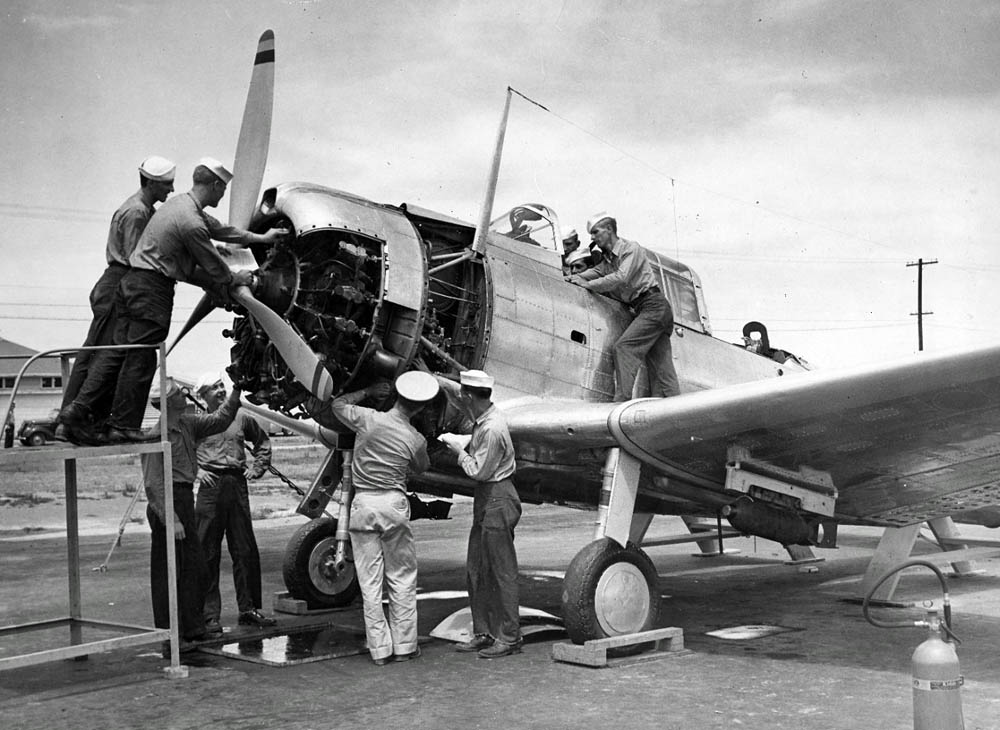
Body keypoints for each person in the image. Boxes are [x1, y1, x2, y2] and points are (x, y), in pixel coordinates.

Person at [59, 158, 289, 445]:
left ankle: (76, 411)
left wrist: (261, 237)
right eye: (223, 190)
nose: (223, 195)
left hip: (132, 285)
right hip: (151, 289)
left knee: (117, 352)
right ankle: (122, 425)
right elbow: (214, 265)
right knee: (141, 357)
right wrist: (236, 280)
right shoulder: (191, 222)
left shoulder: (181, 205)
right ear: (216, 185)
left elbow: (220, 230)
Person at [57, 156, 176, 441]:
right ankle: (73, 419)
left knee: (99, 353)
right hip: (121, 280)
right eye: (166, 185)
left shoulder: (137, 207)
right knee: (107, 354)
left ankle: (72, 421)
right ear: (150, 183)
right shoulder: (137, 212)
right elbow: (141, 258)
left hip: (115, 281)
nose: (170, 191)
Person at [330, 371, 440, 666]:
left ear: (396, 396)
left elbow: (337, 405)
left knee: (369, 582)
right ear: (419, 407)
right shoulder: (414, 439)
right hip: (394, 504)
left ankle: (379, 650)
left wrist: (367, 390)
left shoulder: (368, 418)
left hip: (363, 503)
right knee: (402, 578)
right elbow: (422, 467)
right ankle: (405, 646)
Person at [140, 376, 242, 654]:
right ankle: (171, 636)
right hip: (168, 502)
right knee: (168, 572)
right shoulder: (155, 435)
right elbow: (153, 484)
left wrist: (237, 389)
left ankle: (194, 629)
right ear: (167, 402)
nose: (183, 394)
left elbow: (219, 421)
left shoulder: (188, 423)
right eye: (177, 392)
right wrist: (170, 518)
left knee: (194, 568)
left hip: (184, 497)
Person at [436, 369, 522, 659]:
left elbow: (479, 471)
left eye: (463, 394)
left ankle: (509, 637)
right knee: (477, 568)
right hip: (488, 496)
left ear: (470, 396)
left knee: (502, 570)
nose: (461, 398)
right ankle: (483, 632)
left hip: (497, 495)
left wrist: (457, 450)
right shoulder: (483, 422)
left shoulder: (492, 428)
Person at [565, 212, 680, 401]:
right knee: (663, 370)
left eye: (595, 232)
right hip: (648, 309)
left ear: (609, 229)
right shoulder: (608, 260)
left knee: (623, 348)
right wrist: (570, 279)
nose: (592, 238)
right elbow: (594, 272)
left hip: (654, 306)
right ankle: (678, 411)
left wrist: (589, 285)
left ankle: (621, 401)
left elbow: (621, 277)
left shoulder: (631, 249)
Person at [194, 372, 274, 636]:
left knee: (245, 549)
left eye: (221, 386)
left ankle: (248, 609)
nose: (220, 390)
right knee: (207, 551)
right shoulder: (198, 422)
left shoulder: (241, 417)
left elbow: (262, 441)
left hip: (237, 484)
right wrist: (197, 471)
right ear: (201, 396)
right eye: (213, 388)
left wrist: (258, 467)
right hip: (210, 487)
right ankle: (208, 616)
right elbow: (179, 450)